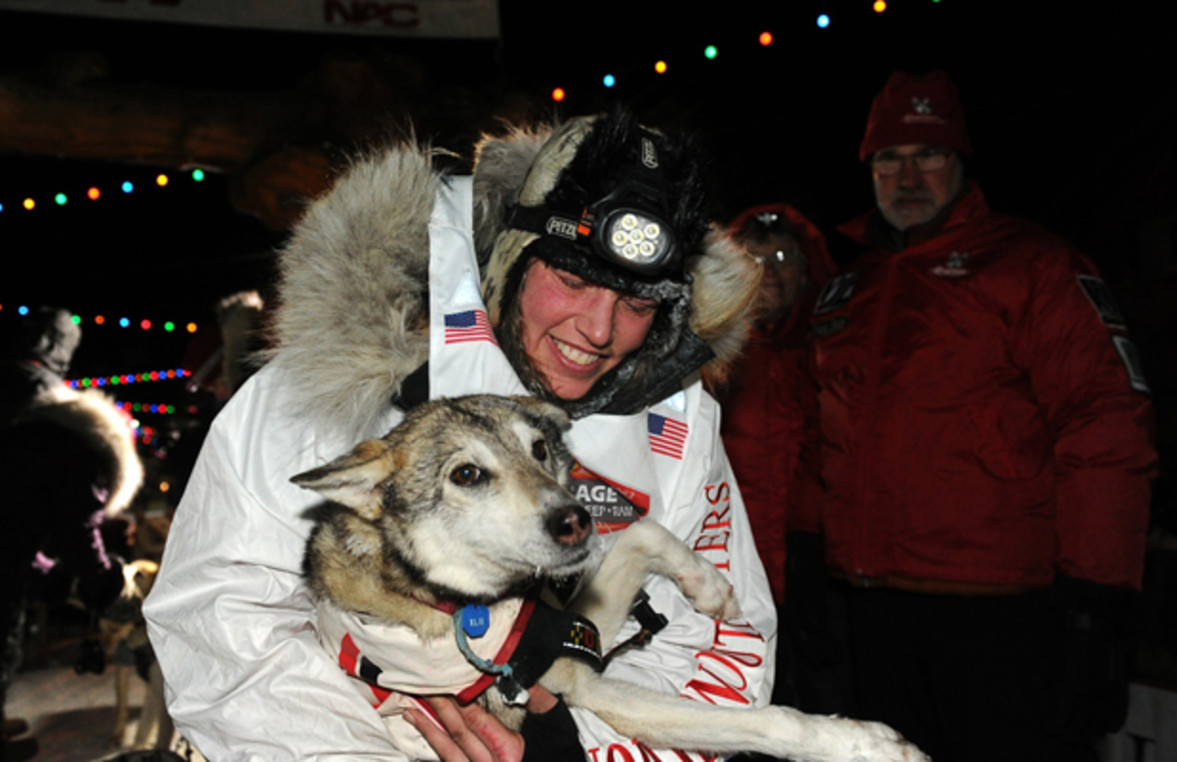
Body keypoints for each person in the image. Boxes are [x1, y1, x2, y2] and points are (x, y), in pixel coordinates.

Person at [144, 111, 777, 761]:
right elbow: (224, 620)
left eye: (637, 304)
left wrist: (571, 746)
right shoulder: (345, 379)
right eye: (573, 280)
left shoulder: (671, 420)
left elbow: (720, 636)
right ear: (512, 255)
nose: (598, 329)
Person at [809, 70, 1158, 762]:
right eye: (888, 159)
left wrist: (1097, 603)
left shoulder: (1034, 267)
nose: (907, 175)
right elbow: (811, 440)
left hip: (1003, 615)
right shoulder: (850, 287)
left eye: (927, 155)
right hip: (873, 610)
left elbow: (1107, 427)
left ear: (961, 162)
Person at [717, 204, 850, 715]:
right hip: (729, 558)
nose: (769, 271)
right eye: (754, 258)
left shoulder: (833, 342)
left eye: (781, 257)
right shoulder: (707, 351)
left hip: (816, 564)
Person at [0, 306, 144, 762]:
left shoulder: (19, 410)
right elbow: (74, 527)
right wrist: (104, 585)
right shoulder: (74, 434)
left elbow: (11, 525)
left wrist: (48, 576)